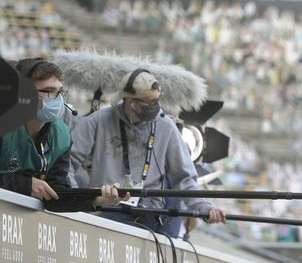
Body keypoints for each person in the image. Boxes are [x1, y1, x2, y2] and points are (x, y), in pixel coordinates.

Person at [70, 68, 226, 237]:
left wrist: (205, 208)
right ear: (130, 102)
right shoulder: (99, 120)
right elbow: (68, 162)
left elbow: (185, 179)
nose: (155, 107)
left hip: (149, 214)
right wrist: (76, 202)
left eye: (156, 101)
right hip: (106, 209)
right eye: (149, 102)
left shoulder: (167, 127)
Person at [0, 58, 122, 211]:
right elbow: (28, 186)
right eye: (49, 91)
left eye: (60, 92)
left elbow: (55, 194)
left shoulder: (61, 136)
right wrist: (25, 185)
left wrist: (96, 199)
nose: (58, 98)